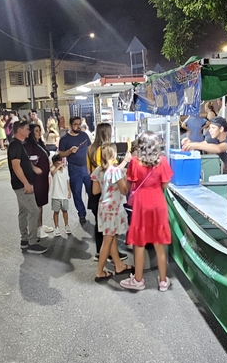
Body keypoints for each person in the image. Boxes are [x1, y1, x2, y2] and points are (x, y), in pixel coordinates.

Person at [120, 131, 174, 292]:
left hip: (141, 204)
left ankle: (138, 280)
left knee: (139, 242)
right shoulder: (162, 161)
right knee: (159, 243)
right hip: (158, 202)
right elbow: (165, 185)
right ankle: (163, 281)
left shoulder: (135, 162)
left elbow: (129, 186)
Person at [91, 143, 135, 282]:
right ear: (114, 154)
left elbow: (95, 191)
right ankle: (99, 272)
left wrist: (107, 185)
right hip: (113, 209)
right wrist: (125, 178)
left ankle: (119, 265)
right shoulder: (115, 171)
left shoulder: (98, 170)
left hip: (103, 208)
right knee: (107, 241)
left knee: (112, 237)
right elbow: (124, 190)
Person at [8, 120, 48, 254]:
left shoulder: (19, 144)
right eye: (27, 129)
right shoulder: (15, 145)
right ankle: (32, 242)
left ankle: (25, 240)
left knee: (24, 212)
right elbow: (16, 166)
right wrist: (26, 183)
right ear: (20, 130)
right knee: (34, 211)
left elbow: (22, 163)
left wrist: (33, 169)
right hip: (21, 185)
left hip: (21, 184)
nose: (29, 131)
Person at [181, 116, 227, 180]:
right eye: (210, 128)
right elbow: (203, 144)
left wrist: (194, 145)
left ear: (221, 129)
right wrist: (191, 143)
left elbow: (218, 149)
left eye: (213, 128)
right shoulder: (215, 138)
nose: (210, 130)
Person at [58, 116, 92, 224]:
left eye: (79, 124)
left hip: (86, 167)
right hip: (74, 169)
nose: (78, 126)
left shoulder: (84, 135)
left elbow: (90, 149)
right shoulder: (65, 139)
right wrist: (69, 151)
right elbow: (61, 153)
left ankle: (95, 211)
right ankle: (81, 213)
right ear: (70, 125)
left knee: (91, 191)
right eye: (75, 124)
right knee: (76, 193)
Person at [26, 123, 52, 239]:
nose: (39, 133)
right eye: (36, 131)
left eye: (39, 130)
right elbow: (26, 160)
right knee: (37, 203)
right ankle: (38, 228)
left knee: (41, 202)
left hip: (44, 177)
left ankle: (40, 224)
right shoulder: (28, 145)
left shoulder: (40, 143)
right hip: (36, 178)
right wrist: (34, 167)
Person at [49, 154, 71, 236]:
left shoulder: (65, 170)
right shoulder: (54, 170)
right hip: (56, 195)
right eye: (57, 163)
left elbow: (67, 181)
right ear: (54, 164)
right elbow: (52, 173)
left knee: (65, 211)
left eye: (60, 162)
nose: (60, 165)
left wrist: (69, 191)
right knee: (56, 212)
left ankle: (66, 225)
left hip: (64, 195)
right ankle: (56, 227)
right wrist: (58, 166)